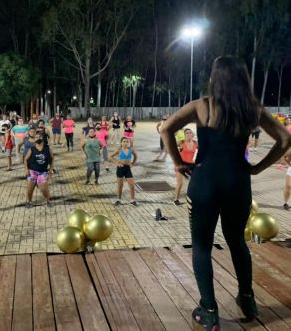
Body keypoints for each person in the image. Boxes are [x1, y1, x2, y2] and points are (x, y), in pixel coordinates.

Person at [160, 56, 291, 329]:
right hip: (238, 183)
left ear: (214, 79)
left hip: (205, 181)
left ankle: (208, 310)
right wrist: (257, 168)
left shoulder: (202, 106)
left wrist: (178, 161)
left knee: (202, 246)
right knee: (237, 242)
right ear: (243, 79)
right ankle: (247, 300)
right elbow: (285, 138)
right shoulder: (252, 109)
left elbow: (166, 128)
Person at [24, 132, 54, 208]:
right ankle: (29, 202)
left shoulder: (47, 148)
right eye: (36, 137)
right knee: (30, 189)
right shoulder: (32, 149)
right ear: (34, 140)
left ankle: (48, 201)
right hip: (32, 171)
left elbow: (52, 158)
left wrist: (50, 169)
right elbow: (25, 159)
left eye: (39, 137)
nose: (38, 138)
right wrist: (26, 169)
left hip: (43, 172)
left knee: (43, 189)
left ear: (42, 138)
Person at [110, 137, 138, 207]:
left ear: (128, 143)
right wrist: (117, 163)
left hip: (128, 168)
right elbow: (111, 156)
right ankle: (118, 200)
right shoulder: (119, 150)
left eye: (126, 142)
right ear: (121, 143)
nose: (125, 143)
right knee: (120, 185)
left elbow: (136, 156)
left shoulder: (131, 149)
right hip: (120, 168)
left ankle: (132, 200)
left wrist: (132, 163)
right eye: (124, 141)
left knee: (131, 185)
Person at [173, 128, 198, 206]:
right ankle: (176, 200)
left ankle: (192, 199)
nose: (189, 134)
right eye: (187, 133)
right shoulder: (181, 143)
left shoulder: (195, 143)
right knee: (180, 183)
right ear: (184, 135)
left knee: (194, 183)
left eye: (190, 132)